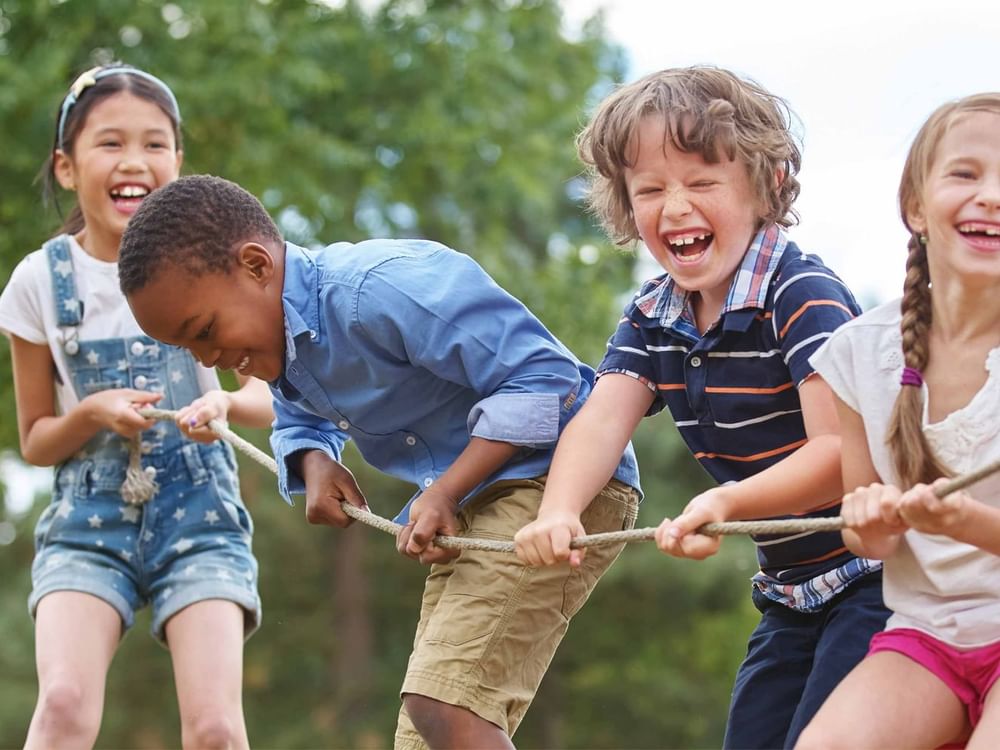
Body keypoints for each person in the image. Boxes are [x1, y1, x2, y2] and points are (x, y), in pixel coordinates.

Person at [116, 173, 642, 750]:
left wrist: (444, 490)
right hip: (475, 504)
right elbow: (298, 414)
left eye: (206, 331)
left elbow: (547, 380)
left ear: (257, 266)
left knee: (445, 705)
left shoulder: (379, 289)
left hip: (557, 480)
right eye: (190, 350)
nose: (211, 357)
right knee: (424, 731)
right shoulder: (284, 347)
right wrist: (315, 464)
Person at [512, 65, 889, 748]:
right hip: (789, 592)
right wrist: (558, 510)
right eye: (650, 189)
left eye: (702, 183)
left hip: (877, 579)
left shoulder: (799, 294)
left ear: (767, 186)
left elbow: (837, 456)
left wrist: (725, 504)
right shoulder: (655, 315)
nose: (676, 207)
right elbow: (602, 418)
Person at [0, 64, 273, 750]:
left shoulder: (219, 262)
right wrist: (92, 412)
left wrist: (224, 407)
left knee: (214, 728)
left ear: (178, 163)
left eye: (155, 144)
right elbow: (34, 440)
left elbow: (269, 397)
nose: (134, 162)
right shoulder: (40, 281)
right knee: (62, 705)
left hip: (200, 512)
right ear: (66, 167)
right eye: (110, 143)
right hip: (89, 517)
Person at [794, 93, 1000, 750]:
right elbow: (870, 544)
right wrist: (873, 522)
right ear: (915, 206)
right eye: (966, 175)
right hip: (929, 636)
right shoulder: (859, 353)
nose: (991, 197)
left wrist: (963, 521)